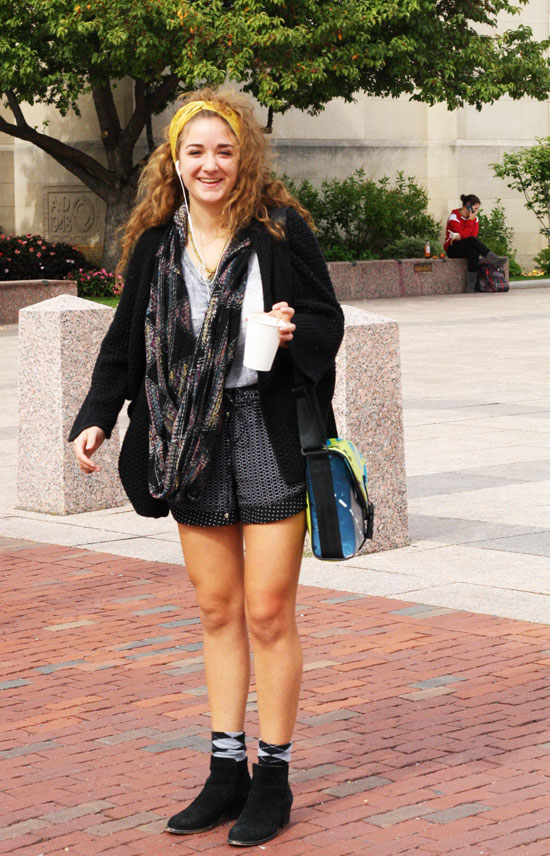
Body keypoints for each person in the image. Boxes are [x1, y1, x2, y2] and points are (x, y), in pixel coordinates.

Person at [69, 88, 344, 847]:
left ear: (242, 155)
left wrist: (292, 336)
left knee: (266, 611)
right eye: (195, 151)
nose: (210, 163)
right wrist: (95, 417)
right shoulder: (159, 240)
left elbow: (327, 317)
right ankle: (228, 771)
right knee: (217, 610)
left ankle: (276, 775)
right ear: (176, 161)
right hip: (187, 441)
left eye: (224, 150)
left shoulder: (280, 232)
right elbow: (124, 344)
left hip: (265, 427)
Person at [444, 194, 507, 292]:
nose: (476, 212)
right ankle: (494, 260)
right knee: (472, 242)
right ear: (468, 205)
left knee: (474, 250)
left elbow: (472, 235)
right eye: (475, 208)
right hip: (453, 248)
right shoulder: (454, 217)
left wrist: (466, 228)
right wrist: (470, 222)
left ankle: (470, 287)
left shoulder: (475, 219)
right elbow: (466, 236)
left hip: (467, 245)